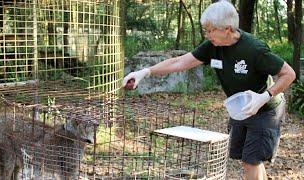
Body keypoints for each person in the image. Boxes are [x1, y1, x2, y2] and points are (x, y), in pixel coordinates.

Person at [123, 0, 296, 179]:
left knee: (251, 160)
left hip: (265, 109)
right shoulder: (213, 47)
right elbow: (179, 62)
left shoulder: (254, 49)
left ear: (227, 29)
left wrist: (265, 96)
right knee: (250, 159)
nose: (206, 35)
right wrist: (145, 72)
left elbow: (289, 74)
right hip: (242, 109)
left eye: (210, 30)